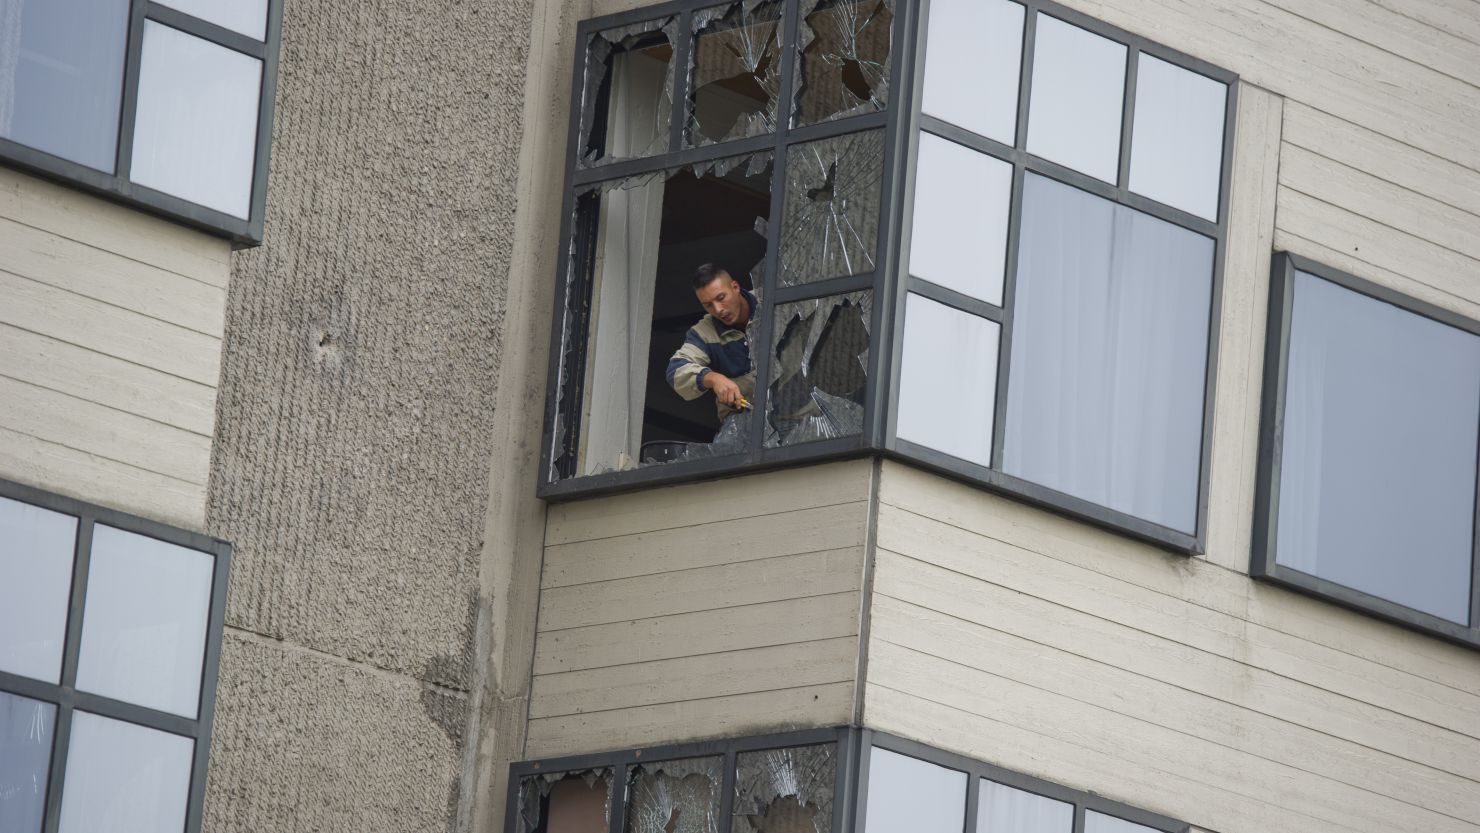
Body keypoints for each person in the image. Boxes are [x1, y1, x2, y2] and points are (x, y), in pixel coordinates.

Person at [666, 263, 759, 427]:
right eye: (708, 305)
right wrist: (713, 379)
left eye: (721, 298)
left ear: (735, 287)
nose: (718, 310)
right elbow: (676, 371)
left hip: (803, 415)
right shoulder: (703, 333)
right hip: (747, 429)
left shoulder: (775, 302)